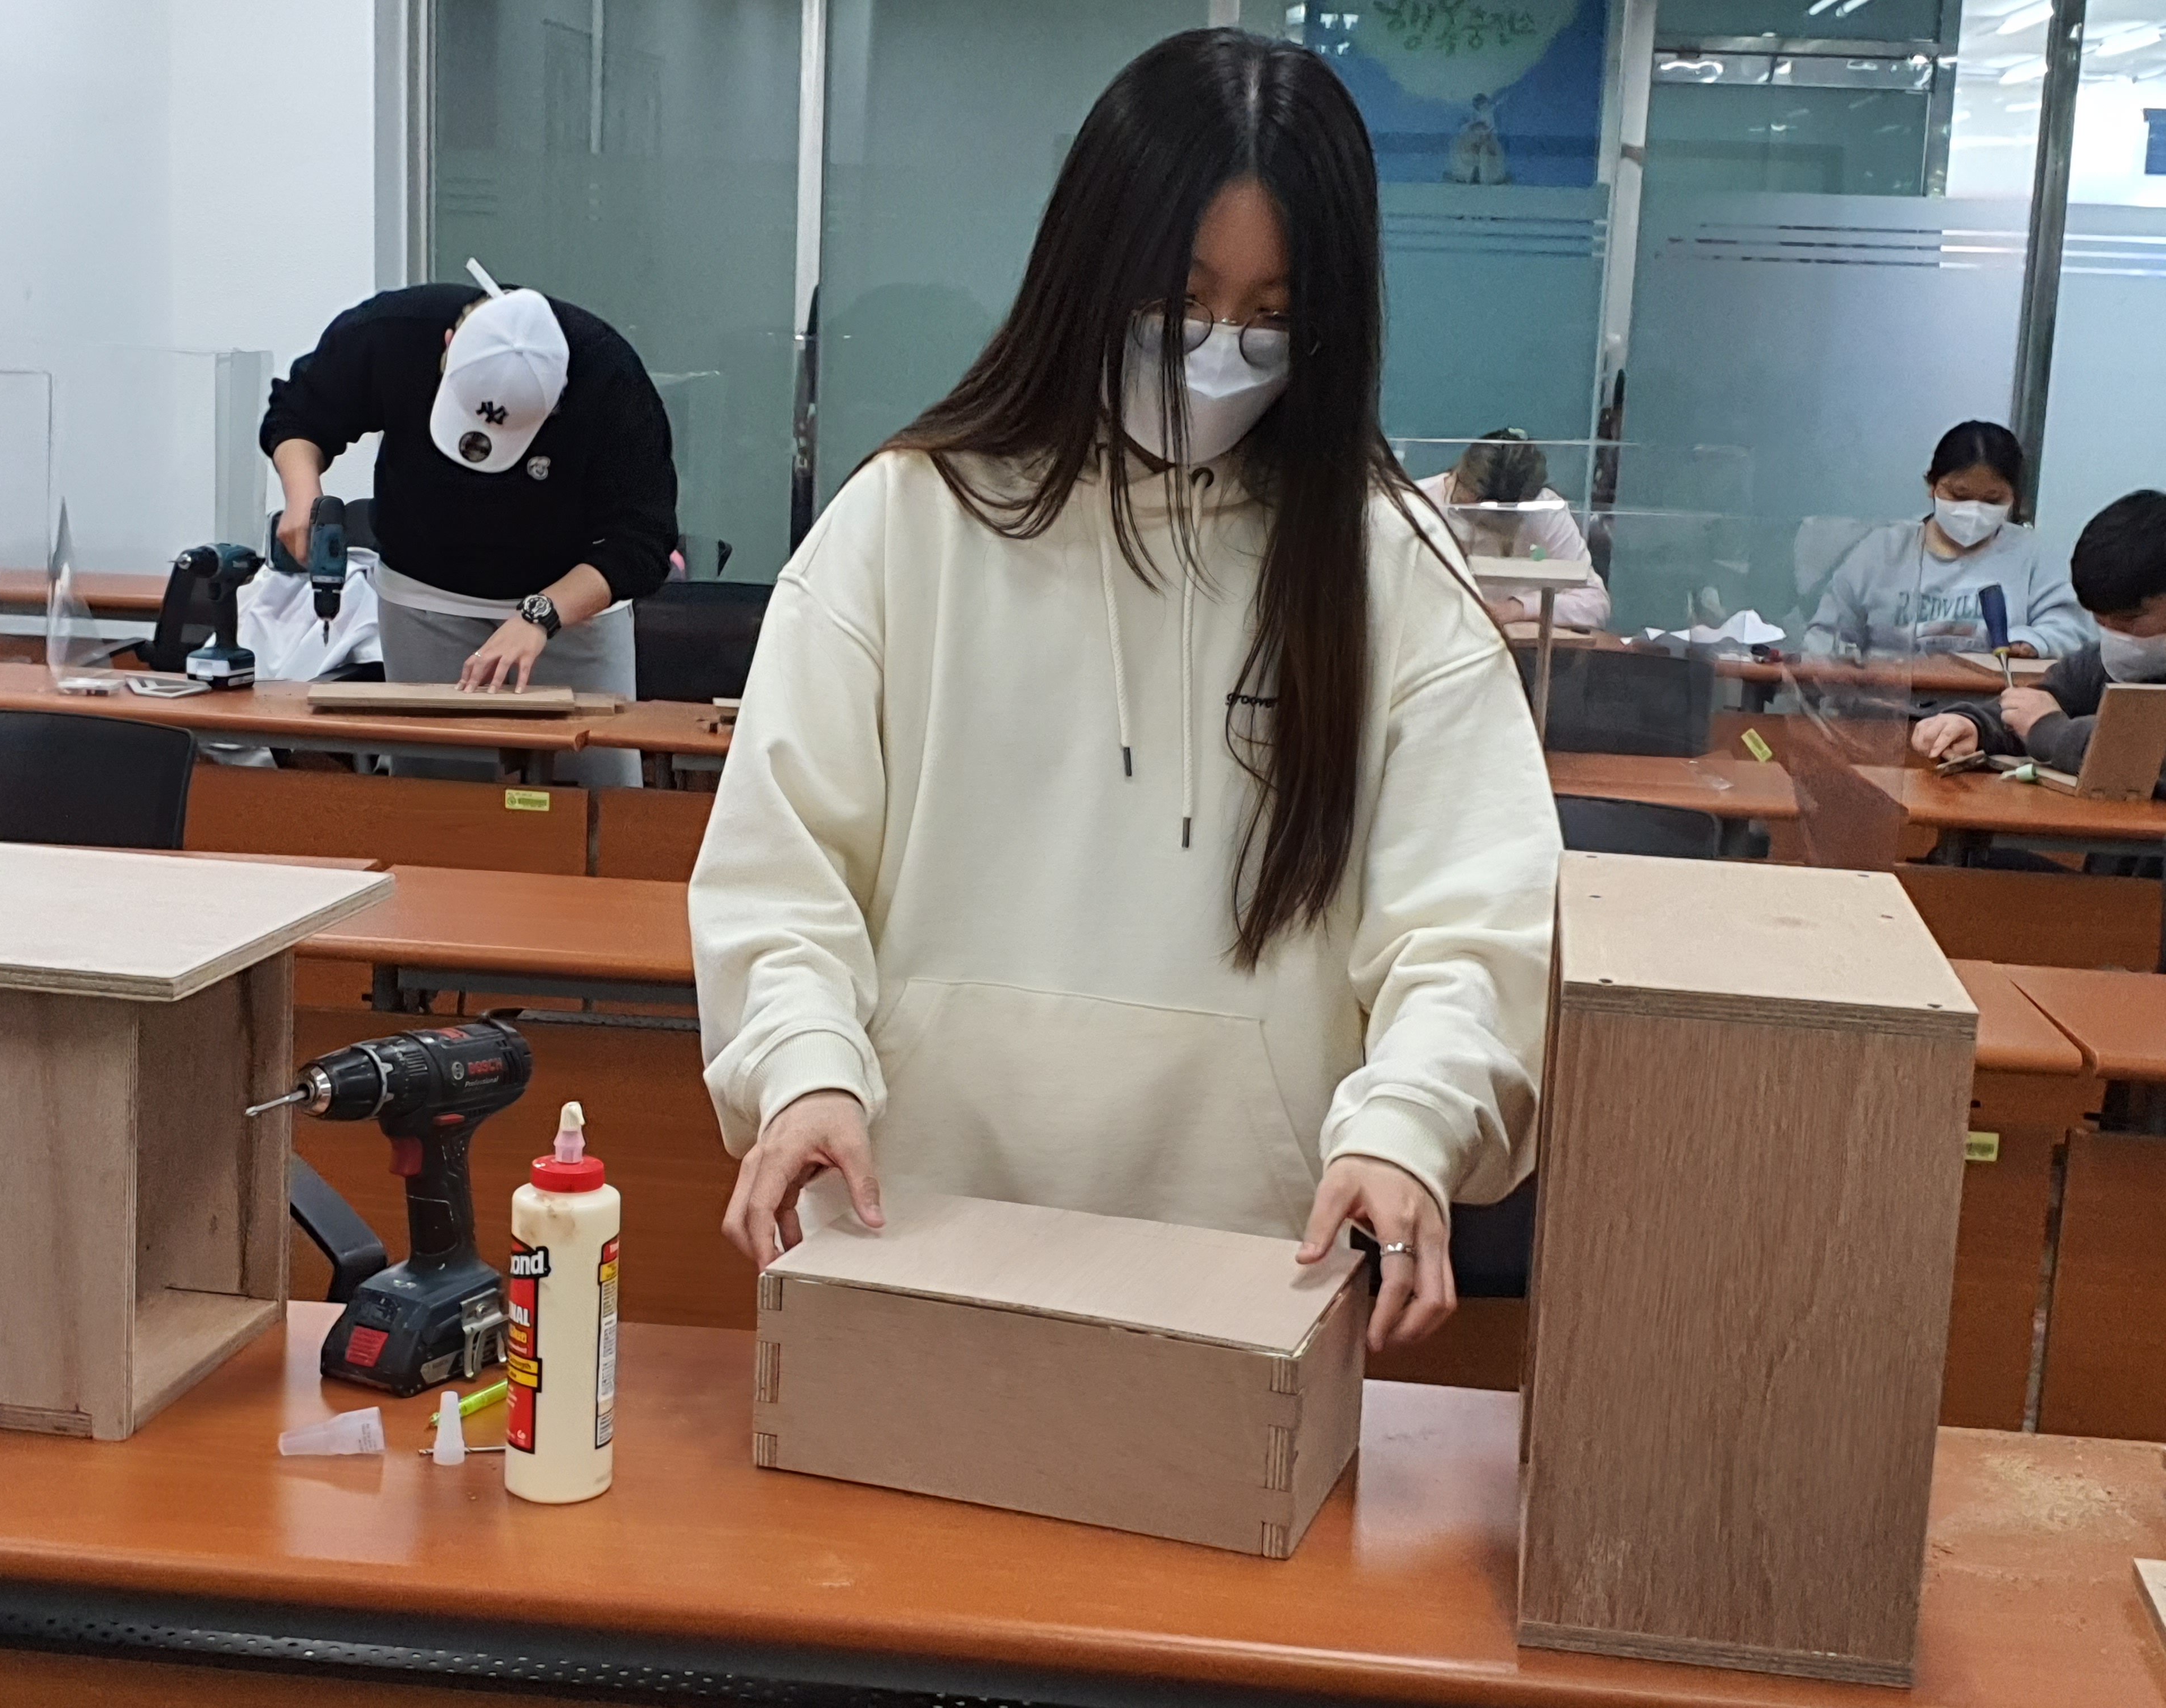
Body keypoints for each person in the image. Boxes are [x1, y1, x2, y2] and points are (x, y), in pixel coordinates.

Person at [689, 29, 1562, 1353]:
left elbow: (1477, 926)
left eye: (1272, 316)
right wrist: (804, 1066)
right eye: (1181, 297)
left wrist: (1412, 1123)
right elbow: (782, 872)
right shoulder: (904, 525)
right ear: (1090, 267)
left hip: (1252, 1282)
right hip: (912, 1240)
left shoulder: (1387, 568)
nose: (1218, 355)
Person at [260, 263, 678, 787]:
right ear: (449, 345)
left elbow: (642, 541)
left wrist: (541, 615)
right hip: (424, 600)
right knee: (436, 794)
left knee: (593, 792)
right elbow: (300, 413)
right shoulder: (394, 331)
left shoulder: (610, 380)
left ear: (559, 398)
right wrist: (303, 495)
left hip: (572, 611)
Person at [1912, 490, 2166, 792]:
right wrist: (1974, 726)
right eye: (2100, 620)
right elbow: (2041, 702)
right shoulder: (2099, 663)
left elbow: (2145, 753)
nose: (2115, 635)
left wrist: (2048, 730)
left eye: (2128, 620)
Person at [1804, 421, 2089, 660]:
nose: (1974, 509)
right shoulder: (1880, 552)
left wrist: (2034, 643)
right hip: (1883, 703)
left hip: (1992, 704)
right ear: (1931, 485)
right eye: (1959, 495)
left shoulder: (2032, 554)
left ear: (2015, 498)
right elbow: (1827, 637)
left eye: (1993, 500)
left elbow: (2072, 630)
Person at [1415, 429, 1611, 630]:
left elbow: (1595, 604)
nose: (1483, 521)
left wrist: (1520, 608)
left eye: (1499, 517)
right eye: (1474, 508)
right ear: (1461, 478)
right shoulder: (1417, 504)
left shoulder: (1542, 512)